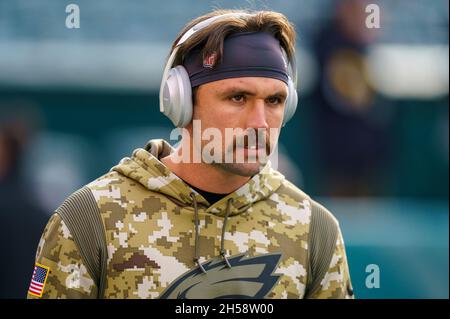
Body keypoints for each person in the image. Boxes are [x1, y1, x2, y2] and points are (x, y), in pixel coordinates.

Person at [27, 9, 354, 299]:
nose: (259, 122)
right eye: (238, 97)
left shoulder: (315, 230)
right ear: (180, 102)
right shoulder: (89, 220)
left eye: (274, 101)